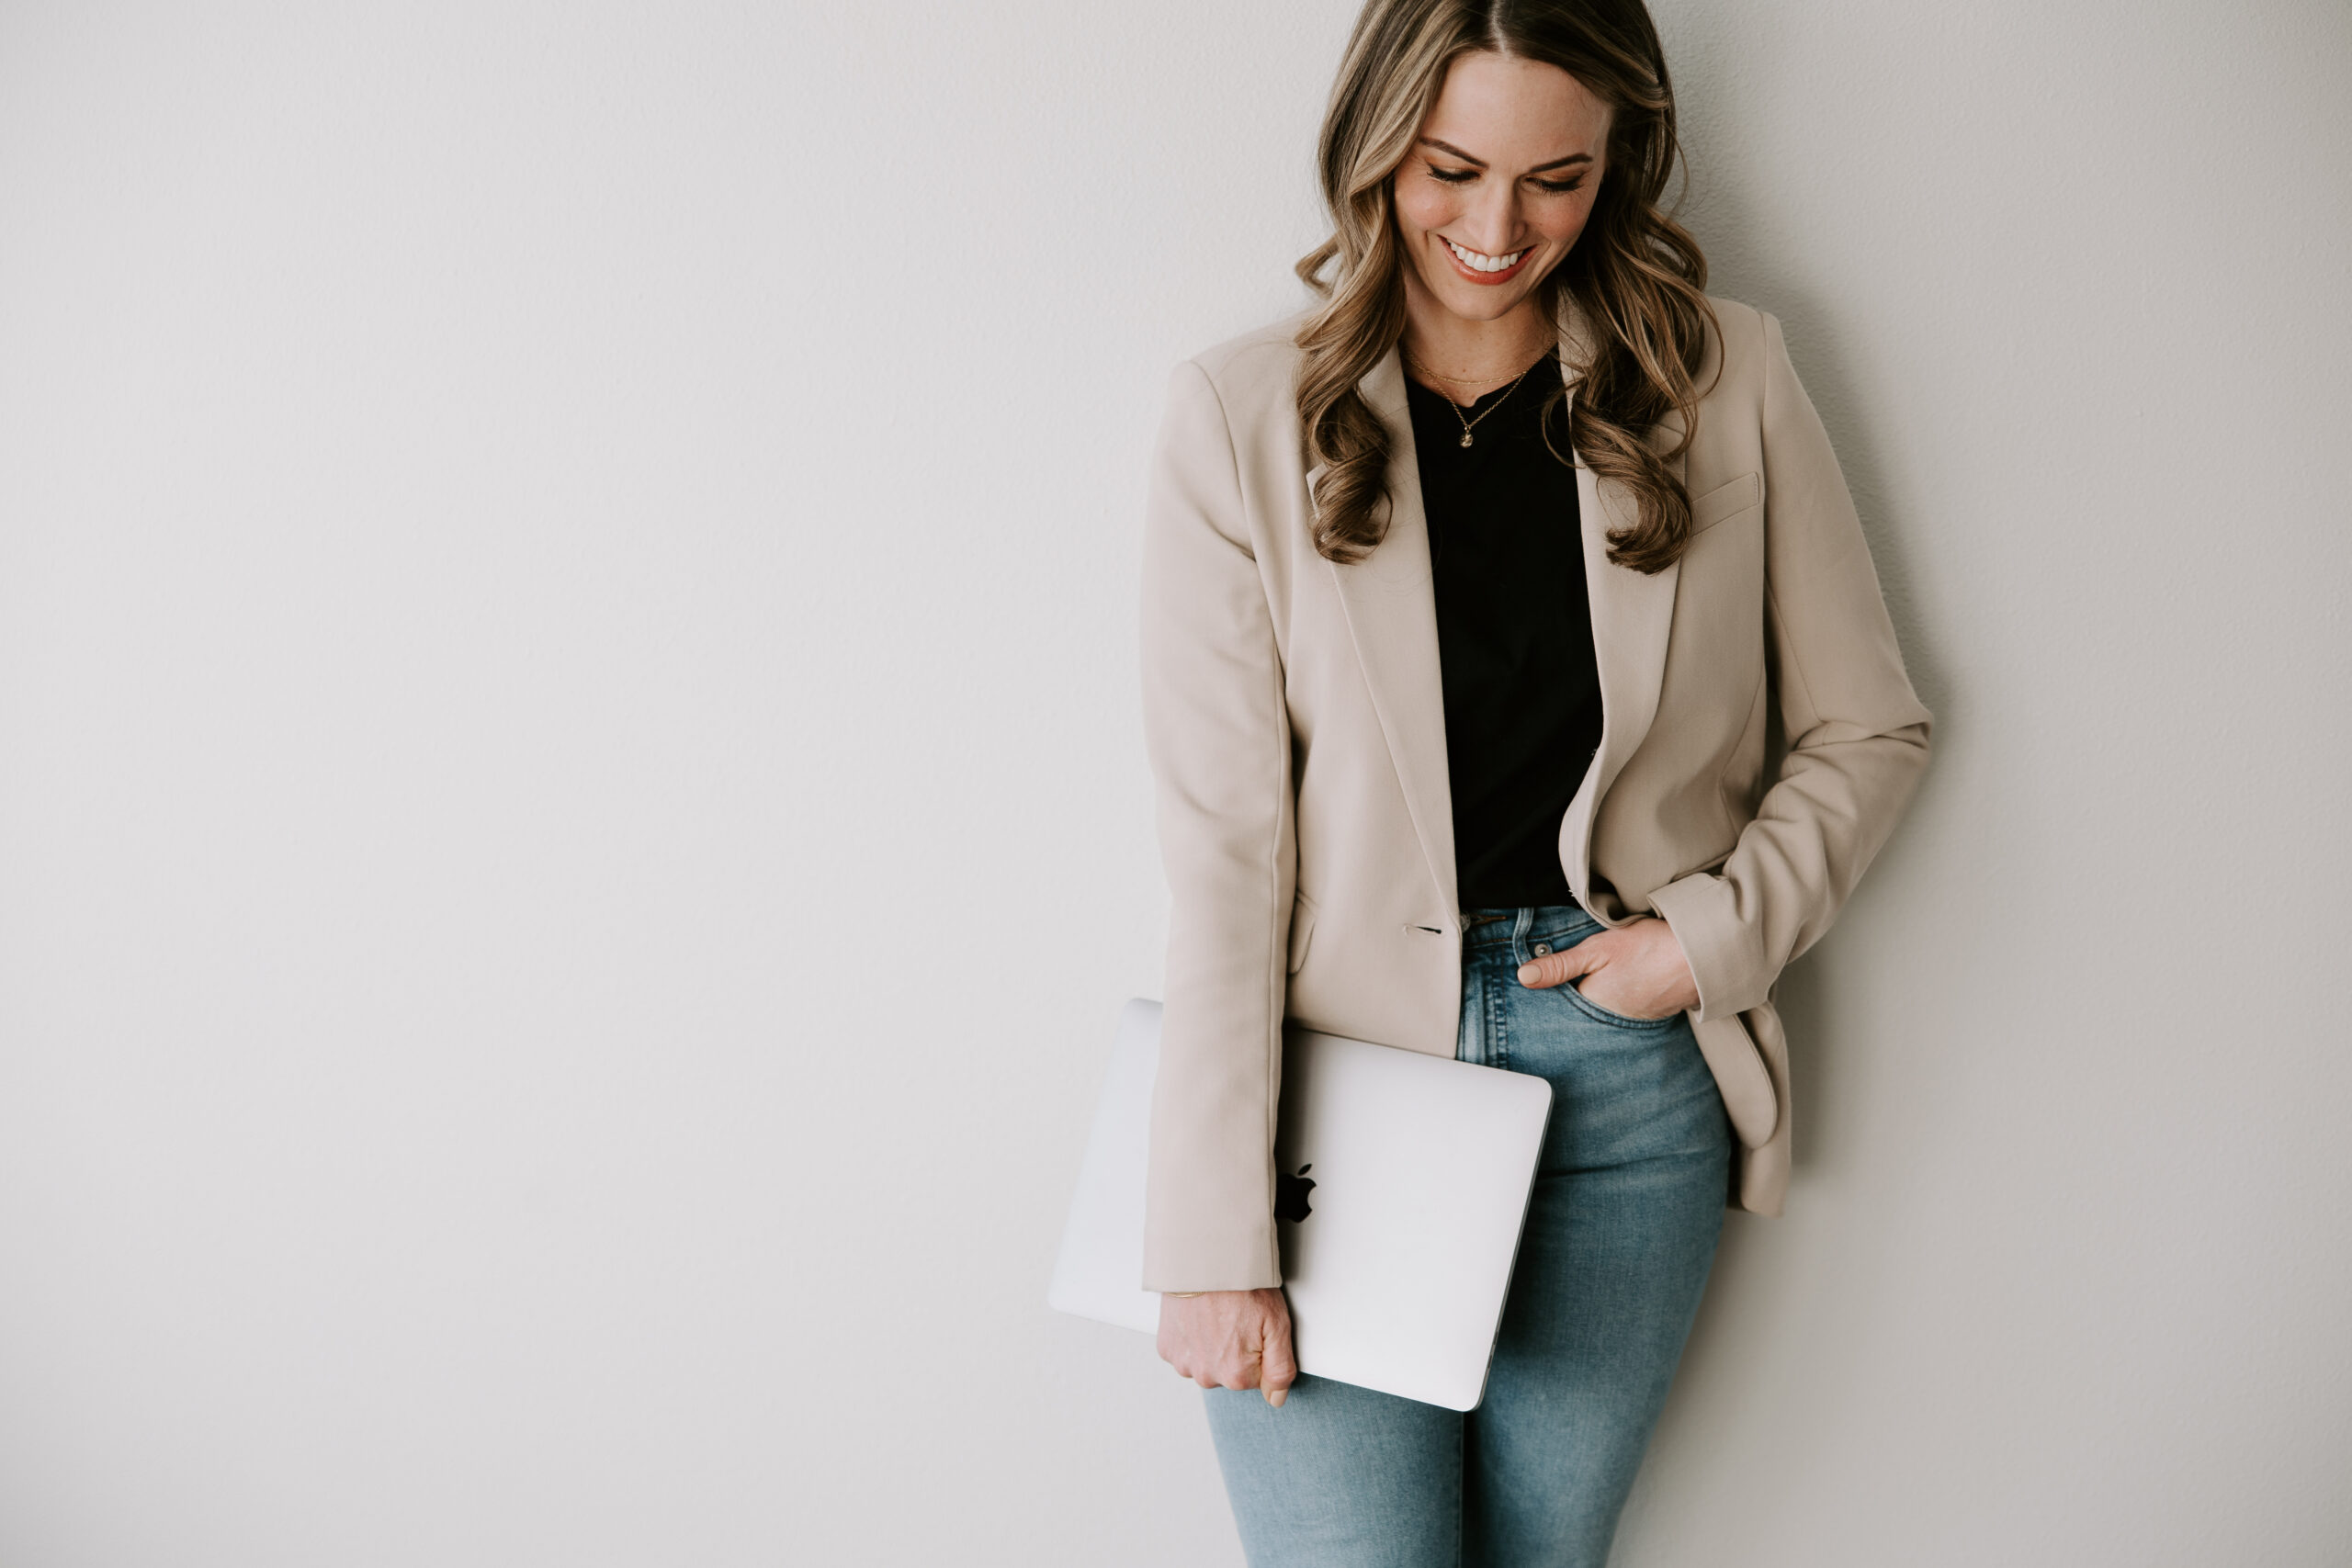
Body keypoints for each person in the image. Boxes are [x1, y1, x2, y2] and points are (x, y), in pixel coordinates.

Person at [1134, 0, 1931, 1562]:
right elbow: (1228, 858)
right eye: (1449, 167)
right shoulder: (1238, 420)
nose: (1497, 227)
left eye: (1555, 180)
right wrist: (1210, 1229)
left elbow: (1872, 726)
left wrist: (1704, 941)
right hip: (1335, 1093)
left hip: (1629, 1092)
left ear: (1617, 162)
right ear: (1375, 151)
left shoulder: (1730, 378)